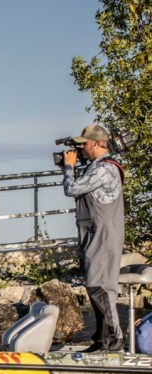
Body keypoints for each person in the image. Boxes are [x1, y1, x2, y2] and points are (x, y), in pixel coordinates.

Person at [62, 123, 126, 352]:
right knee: (95, 285)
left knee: (101, 287)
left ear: (97, 144)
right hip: (94, 234)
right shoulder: (95, 167)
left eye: (84, 144)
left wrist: (68, 168)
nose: (81, 149)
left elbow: (72, 188)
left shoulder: (105, 169)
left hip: (104, 235)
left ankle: (113, 341)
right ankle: (102, 339)